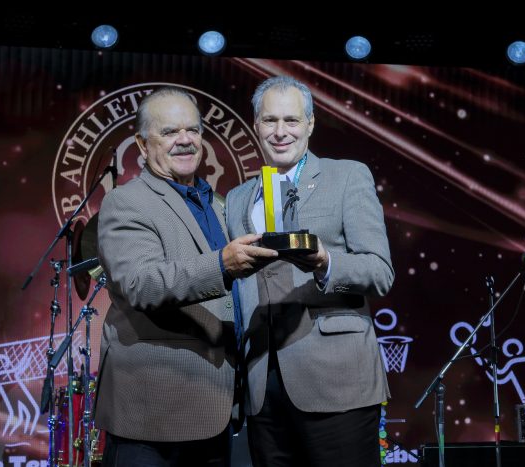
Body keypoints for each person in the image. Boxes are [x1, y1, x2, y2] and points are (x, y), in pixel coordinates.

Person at [94, 87, 278, 467]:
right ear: (142, 145)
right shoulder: (125, 202)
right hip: (152, 415)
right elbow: (140, 284)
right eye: (169, 131)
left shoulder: (218, 204)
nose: (185, 140)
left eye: (193, 130)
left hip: (215, 409)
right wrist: (221, 265)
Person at [225, 76, 395, 467]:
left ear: (310, 124)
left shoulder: (347, 176)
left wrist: (325, 262)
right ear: (256, 124)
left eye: (291, 120)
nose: (280, 131)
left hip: (337, 380)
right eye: (270, 120)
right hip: (262, 385)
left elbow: (380, 271)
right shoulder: (236, 199)